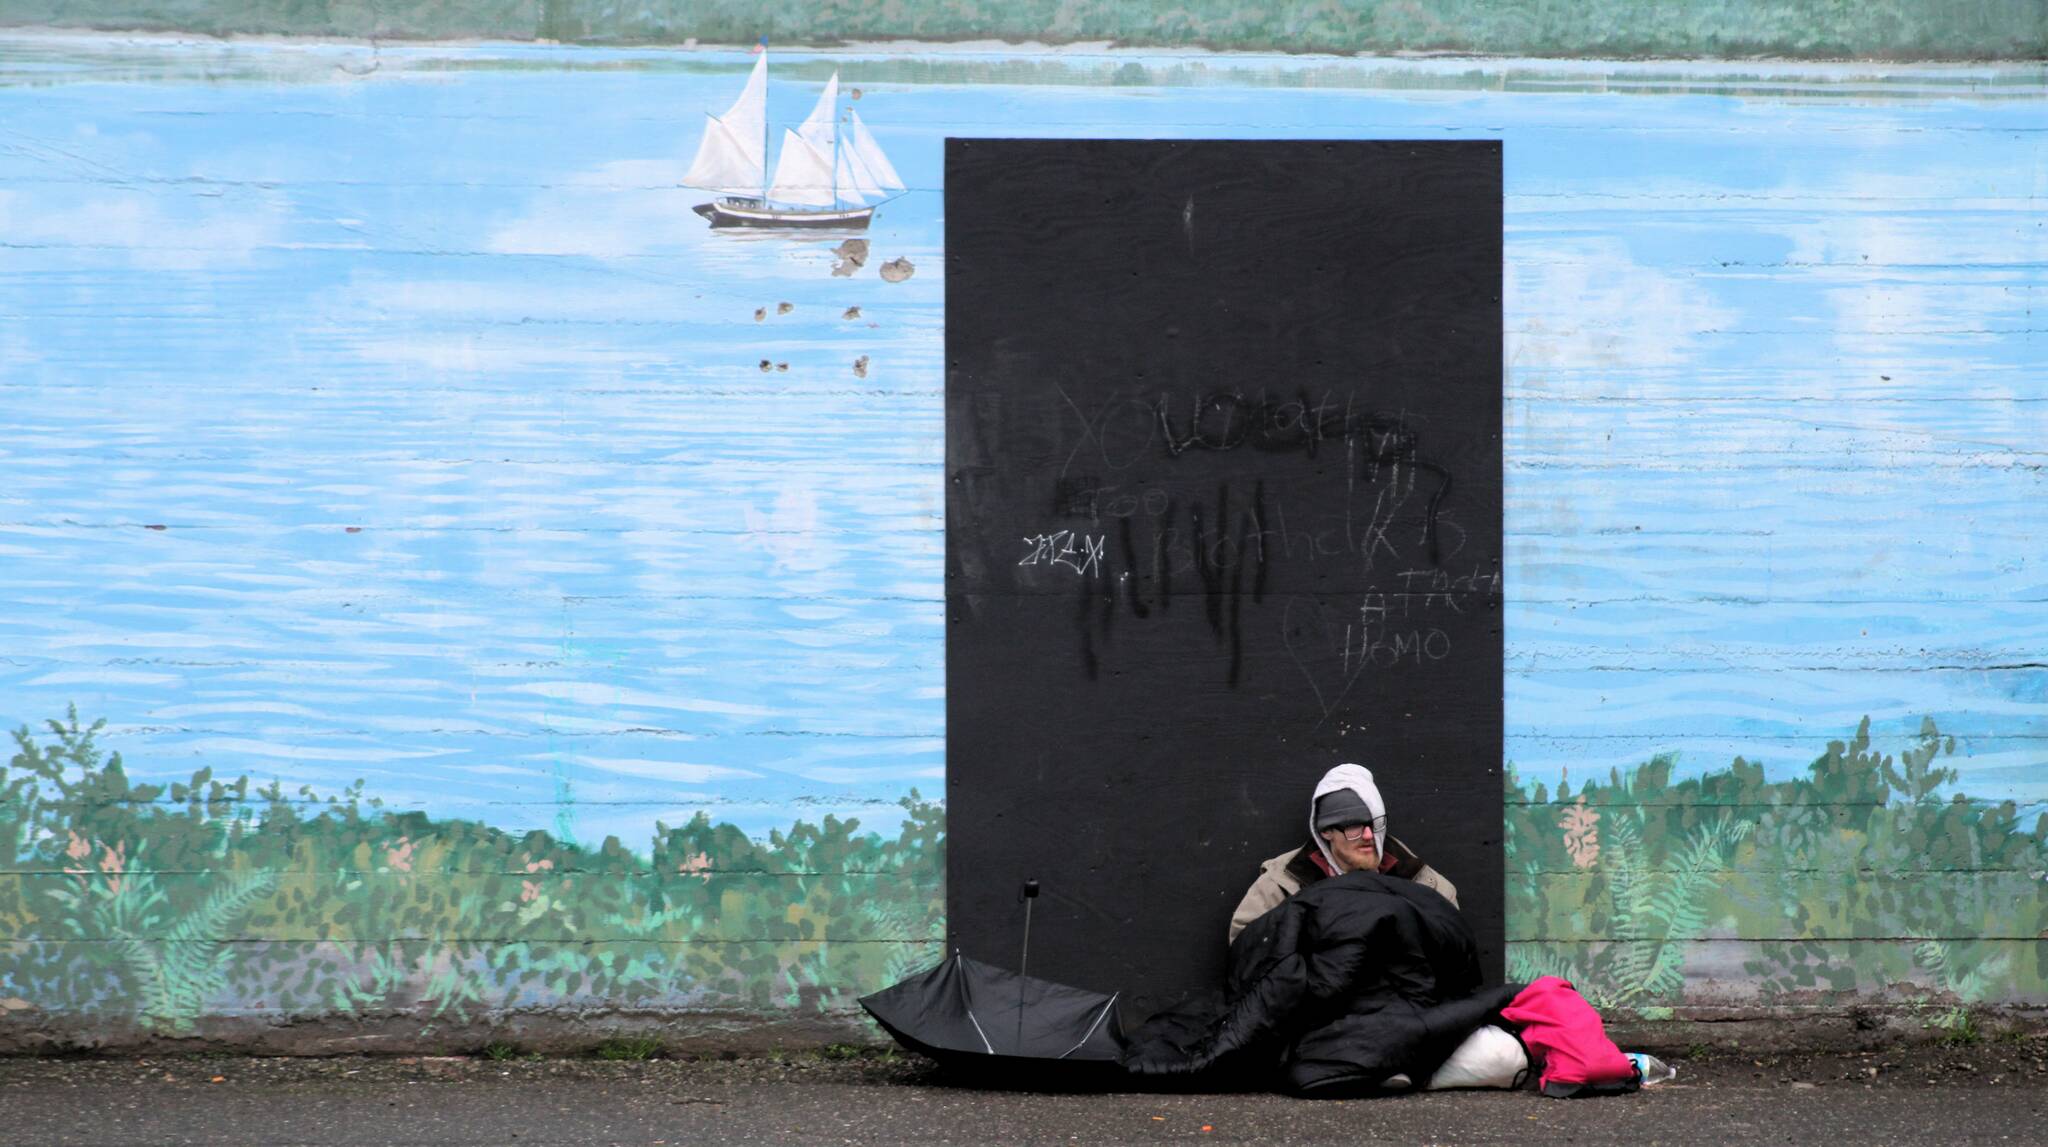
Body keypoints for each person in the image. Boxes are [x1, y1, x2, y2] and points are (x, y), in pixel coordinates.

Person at [1228, 762, 1458, 943]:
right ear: (1326, 832)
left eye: (1374, 823)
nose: (1368, 836)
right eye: (1354, 826)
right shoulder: (1281, 884)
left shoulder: (1424, 883)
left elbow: (1454, 951)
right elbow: (1245, 945)